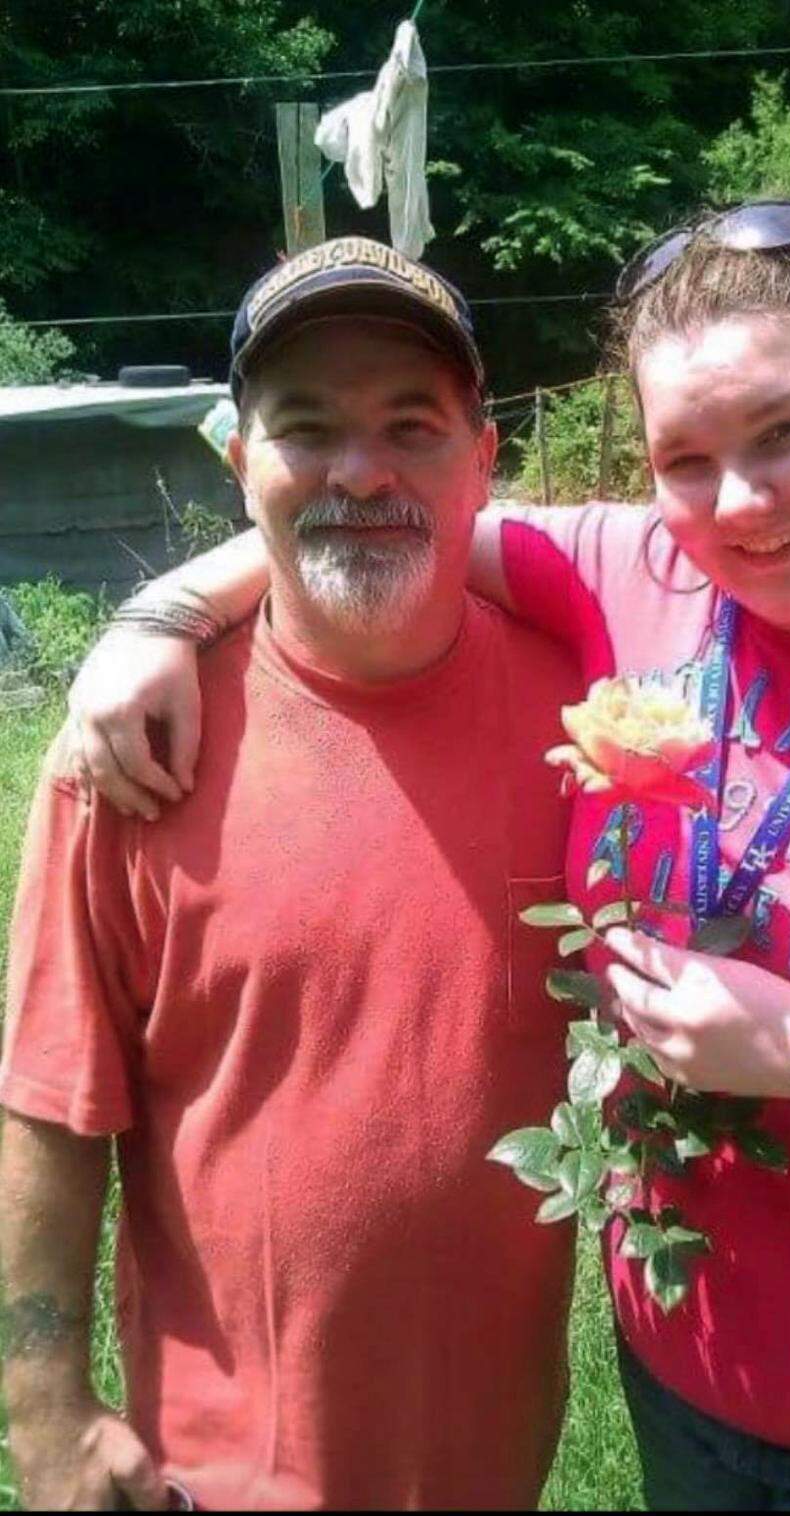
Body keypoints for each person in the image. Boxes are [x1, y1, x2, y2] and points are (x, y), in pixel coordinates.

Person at [62, 202, 790, 1512]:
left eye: (787, 431)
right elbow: (371, 506)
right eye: (686, 458)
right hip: (685, 1390)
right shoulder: (642, 573)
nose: (740, 502)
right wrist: (156, 615)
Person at [0, 236, 581, 1511]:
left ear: (485, 457)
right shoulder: (131, 757)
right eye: (306, 428)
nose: (360, 471)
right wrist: (44, 1409)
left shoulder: (592, 721)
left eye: (412, 426)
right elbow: (50, 1099)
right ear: (238, 461)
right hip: (219, 1475)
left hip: (495, 1461)